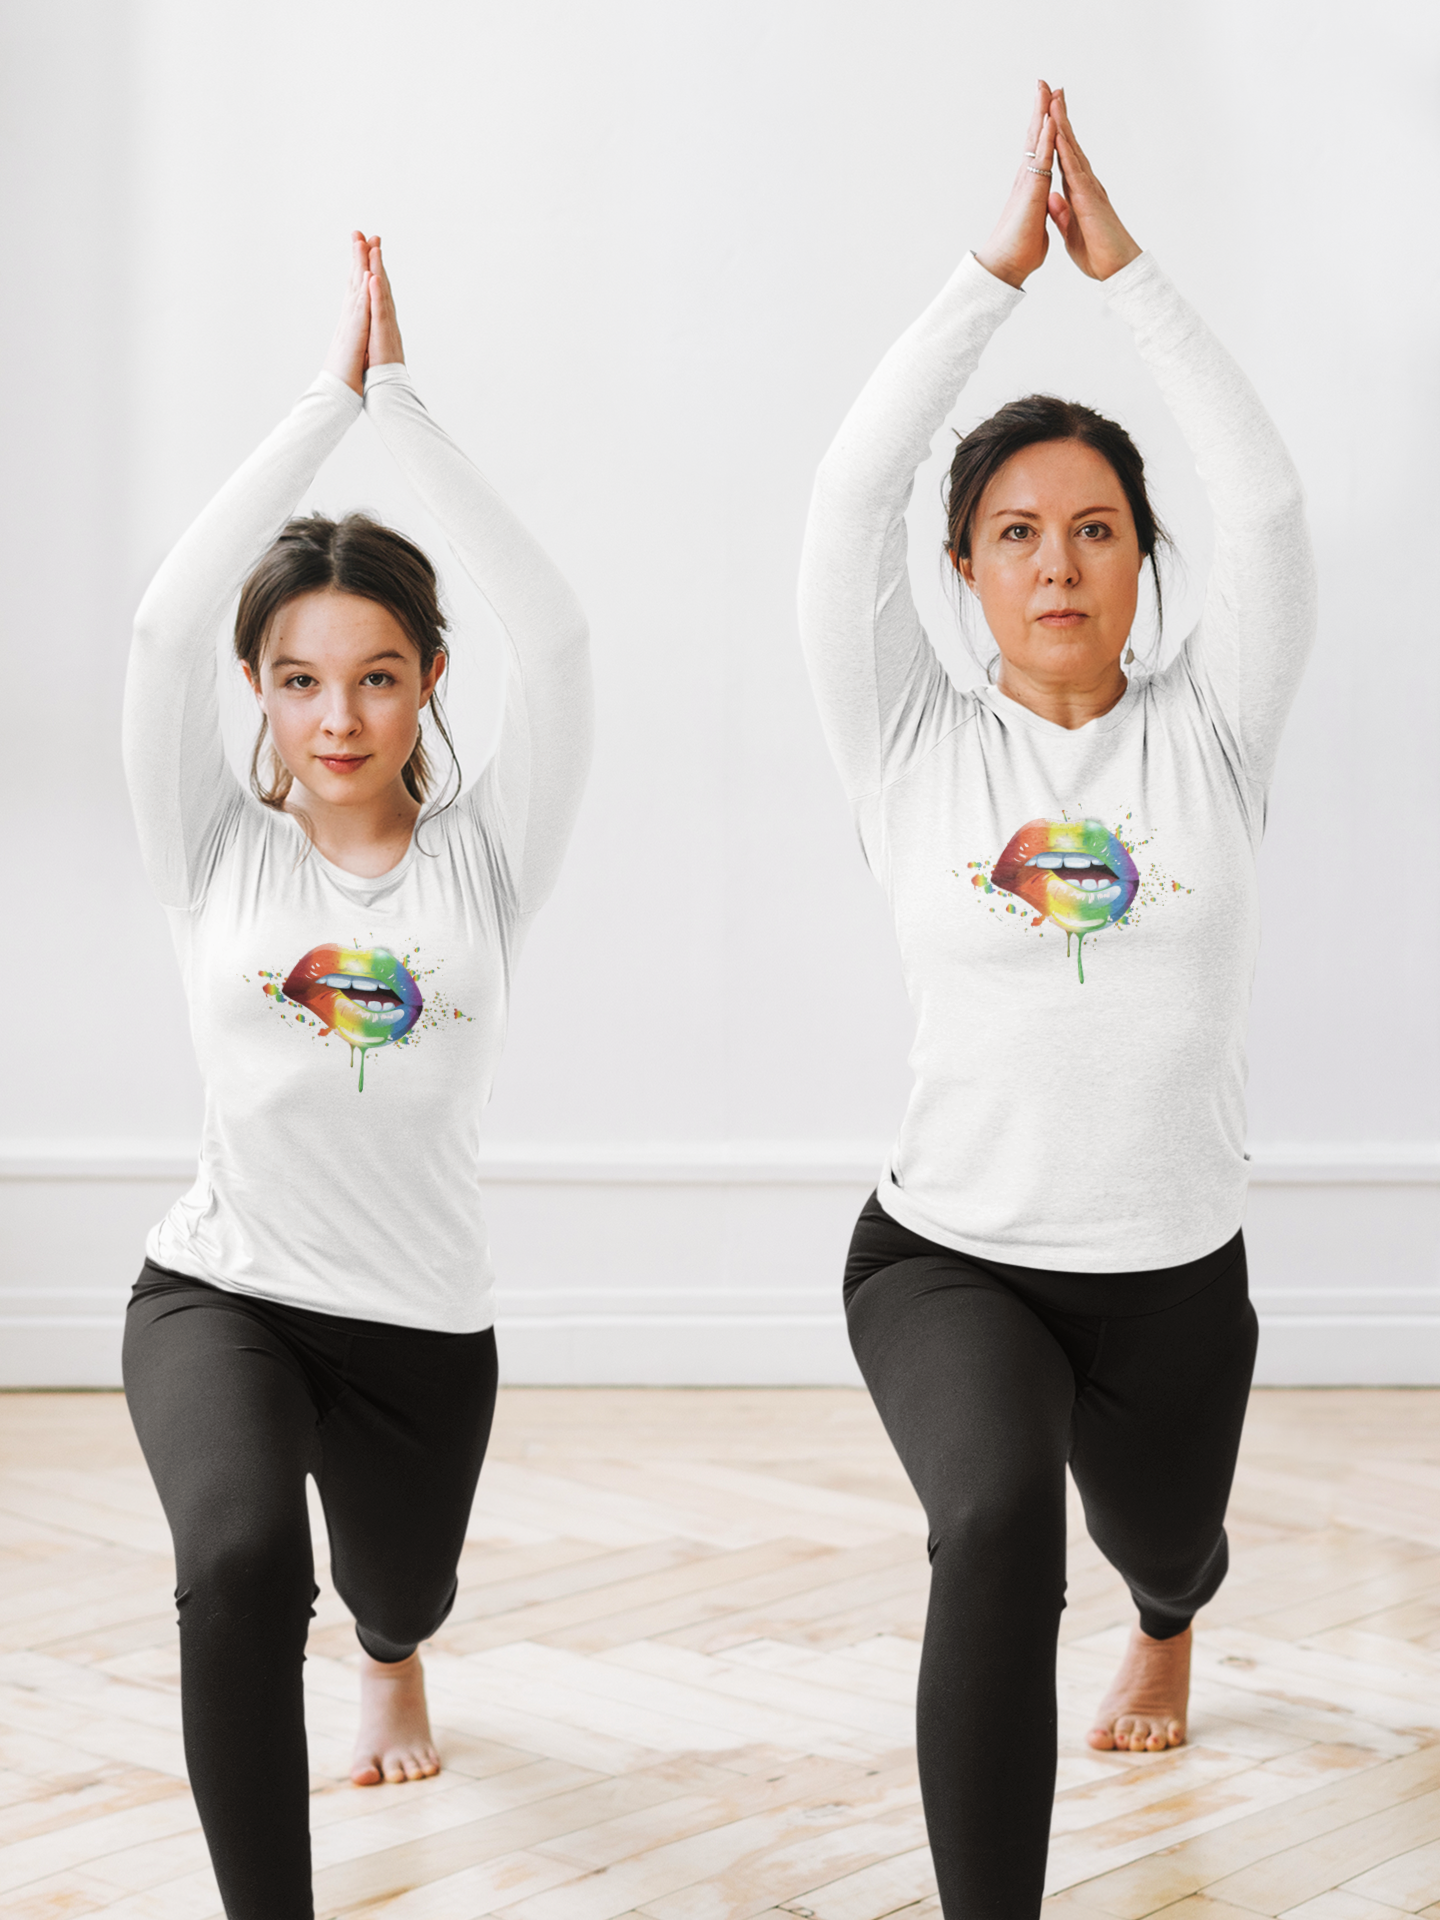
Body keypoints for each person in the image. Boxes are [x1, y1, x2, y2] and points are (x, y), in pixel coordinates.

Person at [797, 84, 1315, 1917]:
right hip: (954, 1253)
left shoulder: (1211, 735)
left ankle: (1173, 1611)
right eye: (1015, 533)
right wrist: (991, 278)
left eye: (1096, 529)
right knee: (999, 1528)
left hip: (1177, 1265)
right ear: (966, 574)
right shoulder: (911, 748)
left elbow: (1257, 500)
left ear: (1140, 565)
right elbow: (848, 495)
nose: (1057, 561)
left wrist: (1134, 279)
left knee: (1160, 1536)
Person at [121, 233, 591, 1920]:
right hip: (223, 1291)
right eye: (303, 680)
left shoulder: (486, 861)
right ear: (260, 691)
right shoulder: (210, 854)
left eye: (377, 677)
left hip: (418, 1326)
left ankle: (394, 1651)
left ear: (424, 687)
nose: (339, 717)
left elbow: (560, 638)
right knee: (243, 1563)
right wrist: (320, 406)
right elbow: (165, 625)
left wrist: (407, 411)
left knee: (397, 1587)